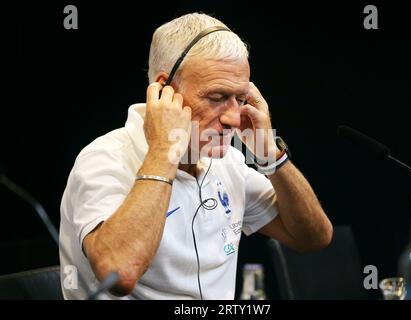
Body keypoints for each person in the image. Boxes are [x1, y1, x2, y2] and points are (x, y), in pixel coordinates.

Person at [59, 12, 333, 300]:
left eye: (240, 100)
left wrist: (271, 156)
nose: (232, 117)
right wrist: (164, 150)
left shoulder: (227, 162)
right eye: (216, 98)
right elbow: (120, 274)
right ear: (164, 91)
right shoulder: (104, 159)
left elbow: (313, 238)